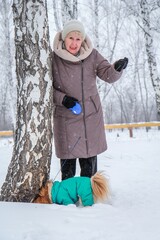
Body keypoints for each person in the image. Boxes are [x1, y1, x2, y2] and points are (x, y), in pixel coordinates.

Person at [52, 19, 128, 180]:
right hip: (66, 117)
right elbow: (44, 89)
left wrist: (116, 68)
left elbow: (107, 74)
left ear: (83, 40)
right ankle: (68, 200)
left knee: (89, 166)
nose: (74, 43)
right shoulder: (53, 58)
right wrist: (63, 99)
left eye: (78, 39)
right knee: (68, 168)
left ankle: (89, 200)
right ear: (64, 38)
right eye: (71, 38)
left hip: (90, 117)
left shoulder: (92, 55)